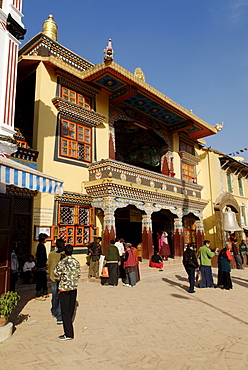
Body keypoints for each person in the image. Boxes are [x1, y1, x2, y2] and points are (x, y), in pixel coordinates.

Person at [54, 244, 81, 341]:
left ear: (65, 252)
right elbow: (78, 274)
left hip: (64, 288)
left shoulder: (62, 262)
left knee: (65, 311)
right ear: (72, 252)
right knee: (70, 309)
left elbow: (56, 275)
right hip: (73, 288)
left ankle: (68, 333)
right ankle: (69, 326)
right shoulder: (76, 262)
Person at [47, 238, 65, 325]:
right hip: (62, 278)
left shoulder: (51, 254)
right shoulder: (64, 255)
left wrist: (50, 273)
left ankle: (54, 311)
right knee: (61, 295)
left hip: (53, 277)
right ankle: (59, 315)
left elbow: (48, 265)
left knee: (54, 295)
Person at [35, 233, 48, 300]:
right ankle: (38, 294)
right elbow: (41, 257)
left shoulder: (41, 246)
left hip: (42, 266)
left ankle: (44, 292)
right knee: (40, 281)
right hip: (41, 266)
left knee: (43, 281)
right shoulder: (40, 246)